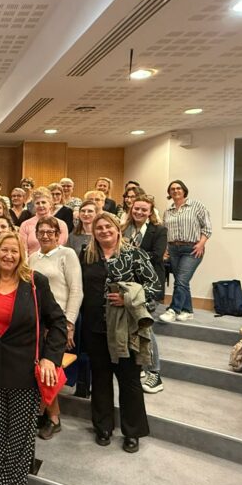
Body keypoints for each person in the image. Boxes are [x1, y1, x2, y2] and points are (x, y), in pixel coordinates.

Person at [0, 231, 67, 485]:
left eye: (15, 251)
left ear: (22, 254)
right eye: (4, 250)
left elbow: (58, 322)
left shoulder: (35, 283)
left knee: (19, 436)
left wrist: (51, 358)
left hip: (24, 372)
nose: (9, 256)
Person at [80, 212, 159, 453]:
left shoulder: (134, 254)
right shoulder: (87, 255)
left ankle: (132, 432)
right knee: (101, 378)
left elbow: (154, 285)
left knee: (129, 381)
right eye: (99, 228)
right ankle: (103, 427)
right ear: (94, 232)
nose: (104, 231)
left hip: (125, 329)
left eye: (108, 227)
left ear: (117, 229)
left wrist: (127, 298)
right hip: (94, 327)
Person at [28, 216, 83, 440]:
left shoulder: (66, 254)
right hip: (38, 324)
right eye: (41, 231)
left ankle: (53, 418)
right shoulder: (32, 257)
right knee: (41, 372)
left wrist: (68, 324)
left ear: (58, 234)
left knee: (51, 371)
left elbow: (76, 290)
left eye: (50, 231)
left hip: (58, 323)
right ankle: (43, 414)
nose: (45, 235)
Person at [123, 195, 167, 394]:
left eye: (144, 209)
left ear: (150, 212)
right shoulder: (124, 229)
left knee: (146, 326)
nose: (139, 212)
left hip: (148, 286)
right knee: (132, 327)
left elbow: (157, 256)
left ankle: (155, 373)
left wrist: (131, 254)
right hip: (129, 285)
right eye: (136, 208)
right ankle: (140, 366)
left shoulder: (159, 231)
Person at [159, 180, 212, 323]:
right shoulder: (167, 211)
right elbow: (165, 232)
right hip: (173, 249)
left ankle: (173, 310)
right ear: (169, 193)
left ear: (184, 190)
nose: (175, 191)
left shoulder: (196, 206)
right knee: (182, 281)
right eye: (172, 189)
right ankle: (187, 311)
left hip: (192, 249)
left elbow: (207, 227)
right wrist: (165, 250)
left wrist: (201, 244)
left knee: (181, 279)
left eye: (178, 188)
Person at [18, 187, 69, 256]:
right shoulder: (25, 225)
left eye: (43, 202)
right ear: (34, 206)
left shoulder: (61, 224)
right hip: (32, 264)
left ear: (50, 204)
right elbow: (23, 250)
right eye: (37, 203)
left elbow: (59, 249)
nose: (40, 205)